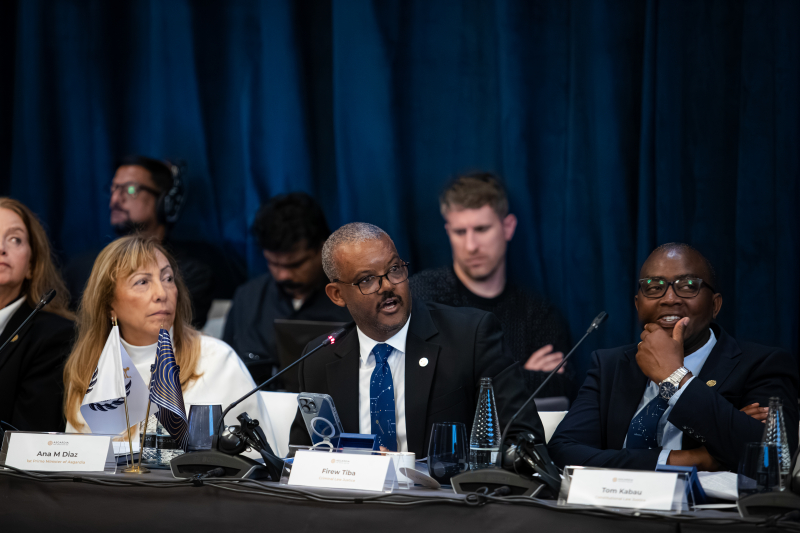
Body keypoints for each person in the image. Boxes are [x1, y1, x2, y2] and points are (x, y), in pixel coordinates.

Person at [288, 222, 544, 457]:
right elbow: (302, 456)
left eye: (394, 269)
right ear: (337, 294)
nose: (387, 286)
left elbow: (523, 439)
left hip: (442, 491)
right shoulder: (319, 358)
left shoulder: (470, 337)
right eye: (367, 280)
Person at [548, 243, 799, 471]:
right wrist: (691, 458)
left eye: (688, 286)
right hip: (615, 502)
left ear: (715, 305)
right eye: (653, 287)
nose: (669, 299)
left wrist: (675, 377)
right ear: (638, 304)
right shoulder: (610, 366)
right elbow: (563, 451)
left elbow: (774, 456)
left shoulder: (763, 364)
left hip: (709, 507)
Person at [62, 235, 264, 436]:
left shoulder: (217, 362)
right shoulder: (89, 370)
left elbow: (256, 452)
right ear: (109, 306)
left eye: (168, 279)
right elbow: (79, 454)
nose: (161, 293)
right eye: (142, 282)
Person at [410, 172, 573, 399]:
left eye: (481, 229)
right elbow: (422, 382)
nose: (471, 246)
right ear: (448, 232)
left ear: (508, 227)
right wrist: (519, 375)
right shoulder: (420, 296)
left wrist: (474, 377)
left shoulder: (537, 316)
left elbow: (561, 388)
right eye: (460, 232)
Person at [62, 155, 245, 327]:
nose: (115, 199)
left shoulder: (190, 274)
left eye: (131, 189)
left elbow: (165, 333)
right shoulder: (80, 270)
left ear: (164, 202)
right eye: (113, 189)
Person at [223, 193, 351, 385]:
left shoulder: (355, 299)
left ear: (324, 248)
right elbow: (227, 370)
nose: (283, 275)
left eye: (295, 264)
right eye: (273, 263)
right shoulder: (248, 298)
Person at [0, 198, 74, 432]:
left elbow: (26, 437)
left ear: (31, 265)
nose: (1, 248)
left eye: (15, 239)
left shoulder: (55, 336)